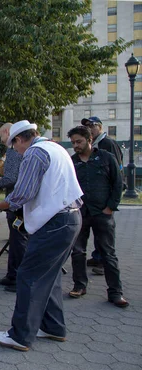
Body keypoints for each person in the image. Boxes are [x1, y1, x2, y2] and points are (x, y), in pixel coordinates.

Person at [0, 120, 83, 351]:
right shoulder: (55, 147)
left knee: (28, 275)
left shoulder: (34, 153)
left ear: (19, 139)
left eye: (13, 146)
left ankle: (20, 336)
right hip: (70, 218)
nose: (14, 151)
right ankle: (53, 327)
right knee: (50, 276)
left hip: (55, 222)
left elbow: (23, 193)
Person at [67, 126, 128, 307]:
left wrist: (110, 207)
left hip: (103, 213)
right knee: (78, 252)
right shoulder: (72, 162)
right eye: (73, 143)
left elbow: (118, 183)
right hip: (80, 213)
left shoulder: (106, 158)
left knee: (108, 253)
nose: (76, 146)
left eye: (79, 142)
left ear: (89, 140)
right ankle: (79, 285)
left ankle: (115, 292)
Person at [80, 116, 124, 270]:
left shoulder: (108, 144)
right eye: (86, 126)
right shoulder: (90, 145)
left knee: (104, 235)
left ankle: (102, 261)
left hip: (104, 200)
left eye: (91, 125)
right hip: (89, 202)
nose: (88, 128)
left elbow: (117, 173)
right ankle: (97, 256)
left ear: (99, 126)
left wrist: (111, 204)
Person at [0, 123, 27, 293]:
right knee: (15, 240)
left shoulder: (13, 150)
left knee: (18, 241)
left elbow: (12, 178)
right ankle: (12, 275)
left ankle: (17, 278)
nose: (1, 140)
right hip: (22, 204)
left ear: (7, 132)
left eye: (1, 137)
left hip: (17, 205)